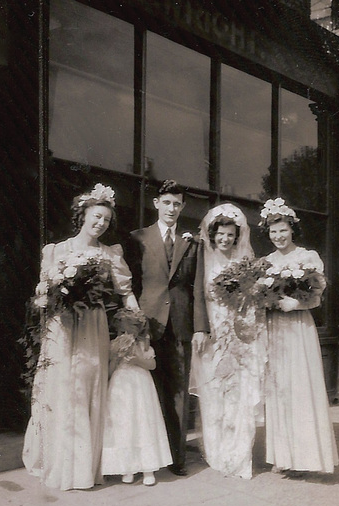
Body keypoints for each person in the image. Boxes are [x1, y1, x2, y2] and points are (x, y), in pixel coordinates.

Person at [23, 184, 139, 491]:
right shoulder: (57, 251)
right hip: (61, 327)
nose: (101, 223)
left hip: (92, 326)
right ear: (83, 215)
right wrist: (49, 297)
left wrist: (137, 325)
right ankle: (58, 463)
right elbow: (42, 290)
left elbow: (126, 294)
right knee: (60, 388)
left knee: (87, 385)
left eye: (106, 220)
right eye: (96, 217)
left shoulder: (110, 254)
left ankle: (83, 467)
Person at [125, 179, 209, 476]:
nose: (172, 208)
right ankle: (141, 458)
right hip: (146, 324)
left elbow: (197, 287)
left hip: (181, 326)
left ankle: (176, 459)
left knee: (177, 393)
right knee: (143, 391)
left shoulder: (192, 243)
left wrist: (200, 327)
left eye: (177, 204)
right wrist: (130, 323)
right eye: (167, 203)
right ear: (156, 204)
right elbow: (129, 284)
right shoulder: (137, 238)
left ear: (182, 207)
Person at [260, 197, 338, 475]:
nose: (278, 236)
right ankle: (283, 456)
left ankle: (307, 457)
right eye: (273, 231)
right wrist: (267, 302)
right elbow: (260, 296)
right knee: (279, 389)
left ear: (292, 229)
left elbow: (316, 297)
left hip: (298, 327)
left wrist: (298, 303)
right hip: (275, 328)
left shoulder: (307, 257)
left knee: (300, 387)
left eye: (282, 230)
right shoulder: (266, 262)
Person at [190, 204, 266, 479]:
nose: (225, 239)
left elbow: (254, 301)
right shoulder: (204, 258)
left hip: (238, 333)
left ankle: (239, 456)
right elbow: (198, 294)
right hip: (212, 333)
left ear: (238, 236)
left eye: (230, 235)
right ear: (213, 235)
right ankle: (218, 451)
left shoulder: (245, 262)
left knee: (239, 393)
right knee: (215, 394)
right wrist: (202, 329)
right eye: (221, 234)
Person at [101, 309, 172, 486]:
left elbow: (152, 365)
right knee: (123, 423)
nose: (125, 334)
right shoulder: (114, 345)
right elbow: (109, 372)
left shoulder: (144, 345)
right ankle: (127, 467)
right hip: (121, 386)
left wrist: (137, 359)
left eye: (129, 330)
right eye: (121, 331)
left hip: (140, 386)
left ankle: (148, 468)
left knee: (142, 421)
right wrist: (116, 358)